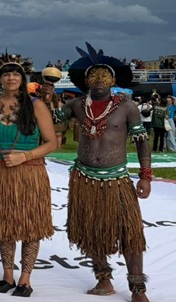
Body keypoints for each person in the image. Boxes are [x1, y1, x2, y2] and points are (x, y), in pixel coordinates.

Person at [45, 43, 151, 301]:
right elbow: (53, 122)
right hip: (84, 178)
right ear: (86, 80)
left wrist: (145, 176)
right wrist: (48, 100)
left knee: (130, 232)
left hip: (117, 179)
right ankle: (103, 280)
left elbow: (141, 141)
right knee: (92, 229)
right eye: (94, 77)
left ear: (113, 79)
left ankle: (138, 288)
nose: (100, 81)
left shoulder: (127, 106)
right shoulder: (77, 105)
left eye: (105, 76)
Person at [0, 52, 57, 297]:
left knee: (30, 225)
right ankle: (7, 275)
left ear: (22, 78)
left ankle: (25, 278)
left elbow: (52, 142)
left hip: (29, 172)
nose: (11, 77)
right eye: (6, 74)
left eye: (16, 73)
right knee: (4, 224)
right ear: (0, 79)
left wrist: (25, 156)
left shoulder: (36, 104)